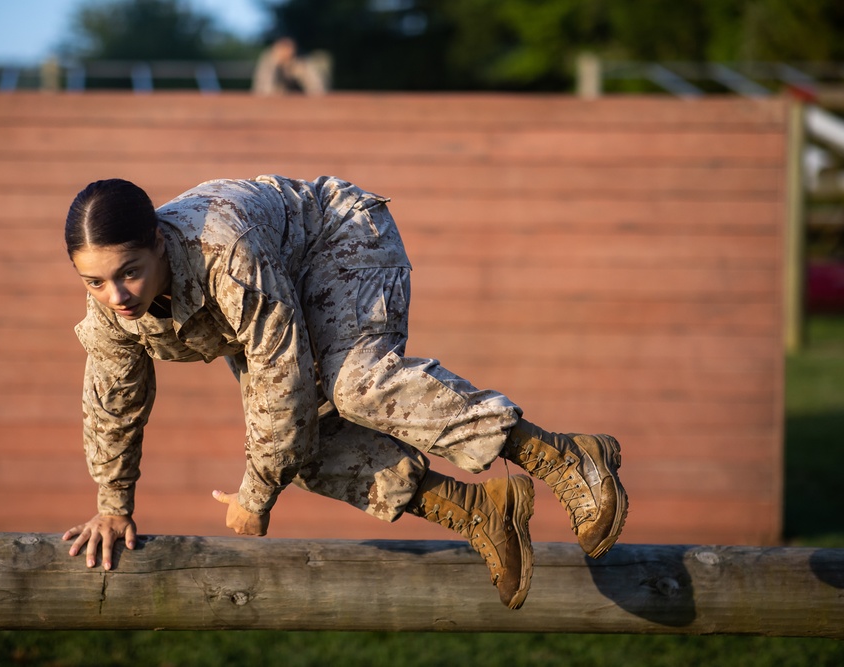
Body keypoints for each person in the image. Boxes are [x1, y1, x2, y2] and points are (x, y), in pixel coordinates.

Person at [61, 175, 628, 609]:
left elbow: (279, 379)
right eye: (95, 281)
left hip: (337, 236)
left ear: (159, 243)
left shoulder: (222, 252)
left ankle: (561, 456)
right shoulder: (111, 310)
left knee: (353, 386)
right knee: (299, 445)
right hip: (279, 290)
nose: (116, 295)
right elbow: (113, 401)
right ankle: (480, 510)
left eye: (128, 272)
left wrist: (256, 496)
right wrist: (112, 506)